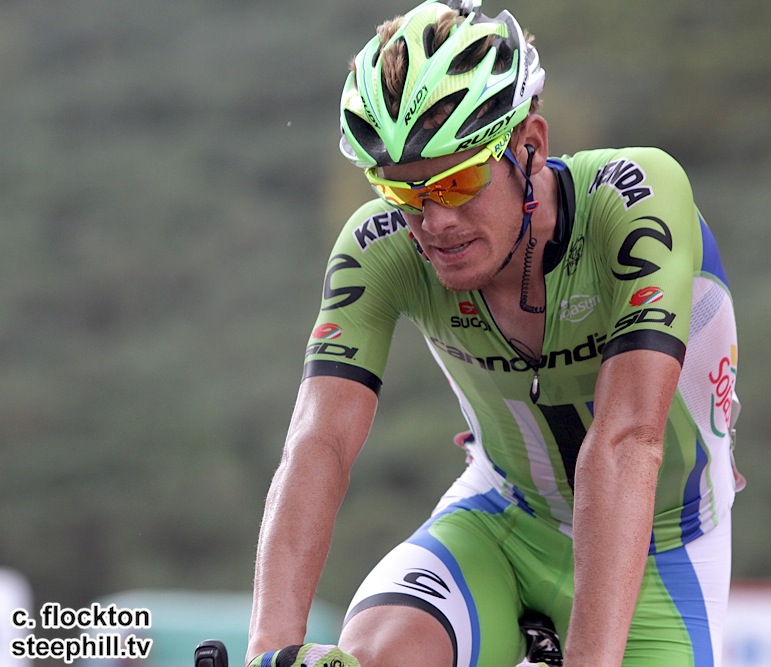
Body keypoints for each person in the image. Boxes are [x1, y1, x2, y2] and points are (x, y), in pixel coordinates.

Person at [245, 0, 743, 665]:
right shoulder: (378, 247)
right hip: (501, 520)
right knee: (375, 657)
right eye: (403, 192)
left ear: (529, 144)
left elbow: (628, 440)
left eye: (457, 181)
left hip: (661, 542)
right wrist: (268, 649)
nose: (434, 222)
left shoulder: (634, 197)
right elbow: (319, 442)